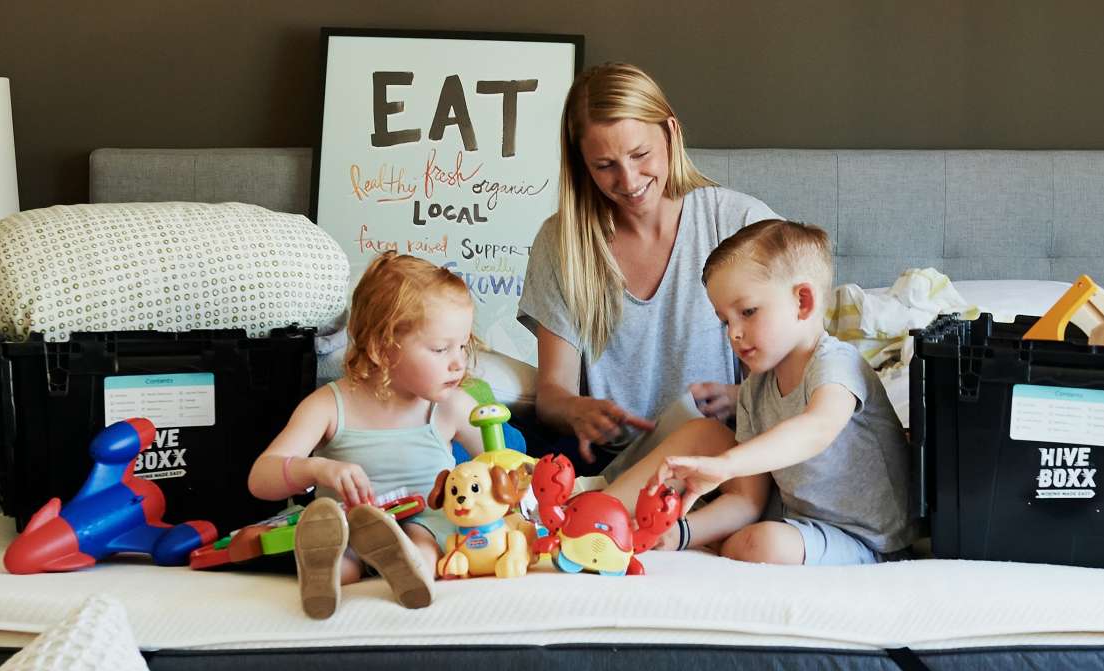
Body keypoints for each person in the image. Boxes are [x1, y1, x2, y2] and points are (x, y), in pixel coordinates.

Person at [518, 62, 779, 552]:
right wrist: (577, 409)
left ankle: (591, 530)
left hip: (715, 465)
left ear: (671, 133)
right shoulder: (562, 243)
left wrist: (737, 395)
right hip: (608, 461)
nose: (629, 179)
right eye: (604, 166)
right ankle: (589, 522)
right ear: (580, 164)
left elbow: (794, 367)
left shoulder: (738, 222)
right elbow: (551, 393)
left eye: (641, 155)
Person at [656, 220, 914, 565]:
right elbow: (748, 500)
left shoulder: (835, 364)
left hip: (871, 542)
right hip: (802, 527)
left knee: (764, 544)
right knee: (755, 533)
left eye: (747, 312)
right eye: (725, 320)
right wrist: (680, 532)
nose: (733, 333)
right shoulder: (754, 390)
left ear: (802, 301)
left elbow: (816, 430)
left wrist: (726, 464)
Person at [248, 253, 484, 617]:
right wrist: (317, 470)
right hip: (350, 525)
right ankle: (325, 574)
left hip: (424, 520)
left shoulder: (451, 406)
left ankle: (409, 568)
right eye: (441, 349)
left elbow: (502, 464)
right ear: (381, 347)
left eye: (463, 346)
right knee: (343, 549)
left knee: (423, 536)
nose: (458, 362)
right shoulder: (329, 405)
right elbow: (261, 478)